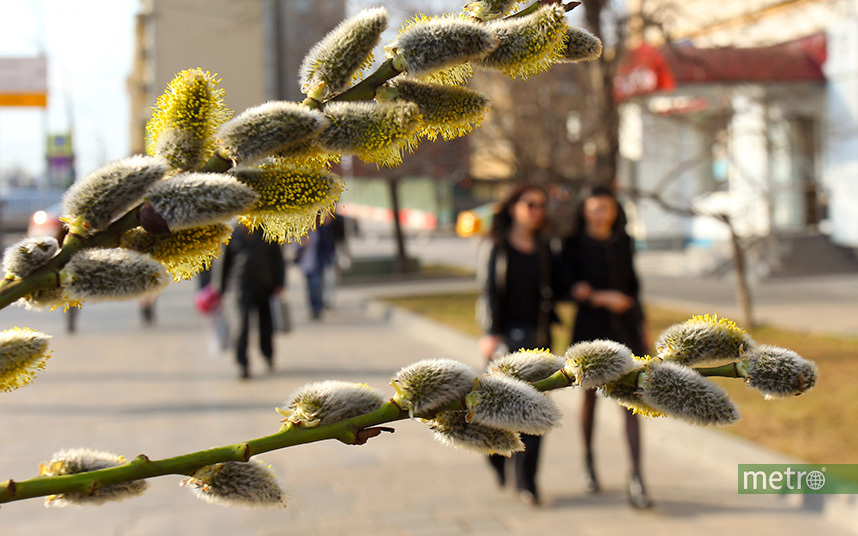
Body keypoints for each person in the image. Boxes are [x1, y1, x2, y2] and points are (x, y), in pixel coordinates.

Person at [560, 185, 652, 509]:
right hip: (589, 329)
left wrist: (643, 326)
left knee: (630, 400)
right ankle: (587, 460)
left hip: (625, 328)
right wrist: (601, 297)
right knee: (589, 398)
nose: (603, 214)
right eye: (596, 208)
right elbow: (567, 287)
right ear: (585, 210)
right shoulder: (572, 244)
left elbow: (633, 286)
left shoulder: (623, 241)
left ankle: (637, 476)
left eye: (608, 208)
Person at [477, 183, 557, 507]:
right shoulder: (496, 246)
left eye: (541, 205)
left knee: (536, 414)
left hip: (538, 341)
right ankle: (497, 460)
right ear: (513, 207)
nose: (537, 211)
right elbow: (486, 292)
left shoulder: (544, 247)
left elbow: (557, 288)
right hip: (503, 341)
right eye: (530, 204)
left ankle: (528, 483)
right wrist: (489, 331)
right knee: (498, 412)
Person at [220, 225, 286, 379]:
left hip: (265, 286)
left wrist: (280, 284)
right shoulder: (232, 234)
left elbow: (278, 259)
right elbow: (224, 264)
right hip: (242, 288)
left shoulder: (268, 231)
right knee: (242, 326)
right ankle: (242, 363)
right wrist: (220, 290)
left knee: (266, 325)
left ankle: (267, 354)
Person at [296, 214, 337, 320]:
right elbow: (295, 246)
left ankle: (317, 308)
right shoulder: (303, 231)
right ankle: (313, 307)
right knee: (310, 287)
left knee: (317, 286)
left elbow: (328, 245)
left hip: (317, 263)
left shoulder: (321, 229)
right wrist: (303, 244)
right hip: (305, 263)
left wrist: (329, 260)